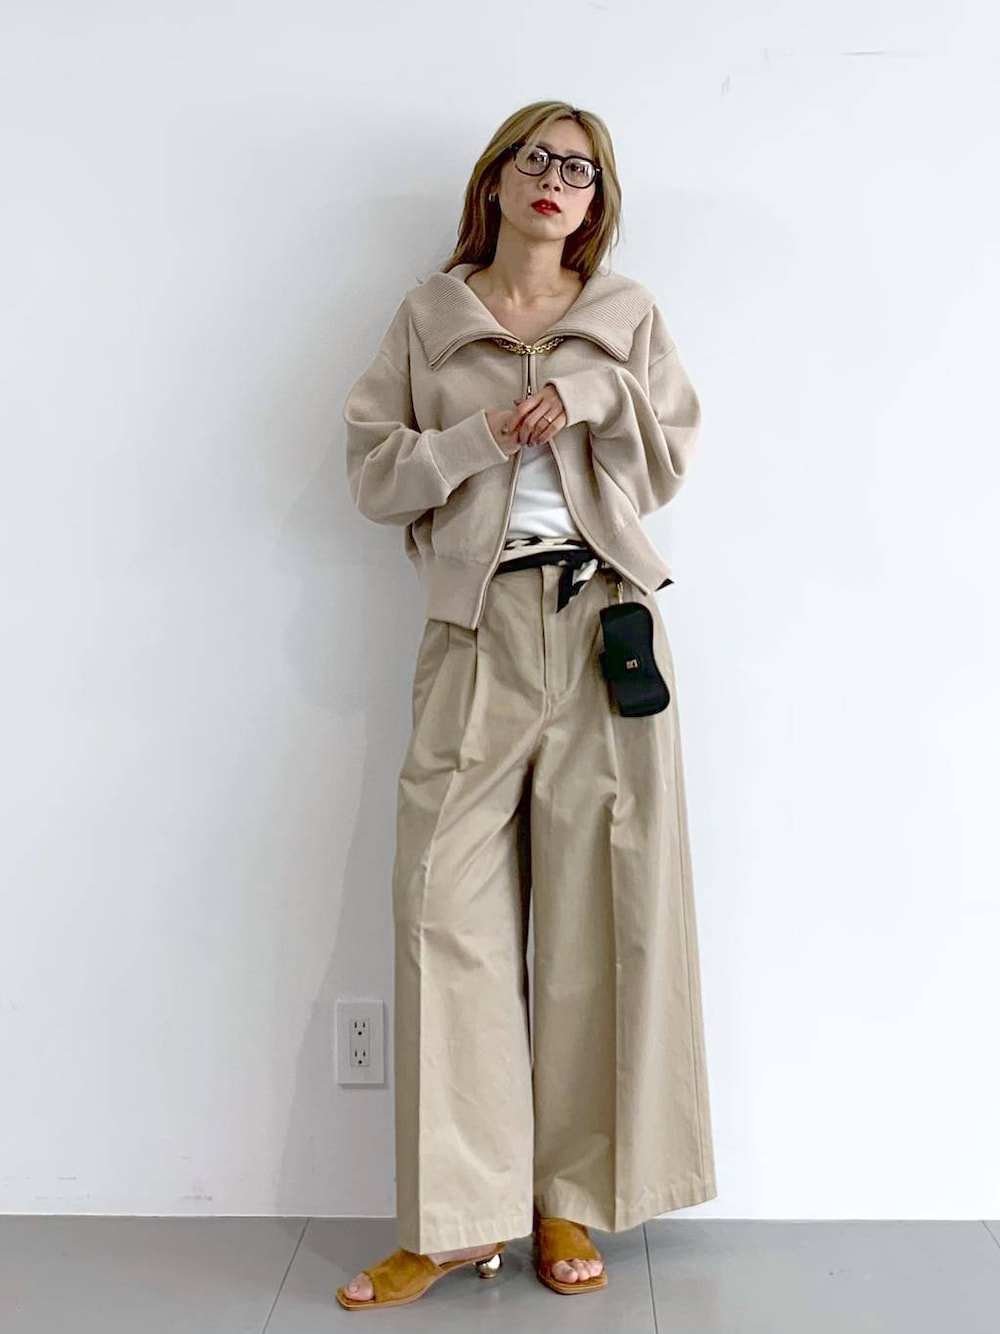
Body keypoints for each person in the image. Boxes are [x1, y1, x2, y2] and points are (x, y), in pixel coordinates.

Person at [336, 99, 717, 1312]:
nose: (558, 181)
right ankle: (457, 1218)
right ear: (496, 179)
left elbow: (667, 462)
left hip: (606, 621)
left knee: (605, 915)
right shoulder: (430, 315)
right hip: (474, 628)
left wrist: (595, 398)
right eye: (538, 159)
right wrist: (478, 437)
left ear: (596, 202)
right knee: (439, 905)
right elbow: (372, 472)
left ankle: (568, 1196)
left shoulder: (626, 314)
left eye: (582, 170)